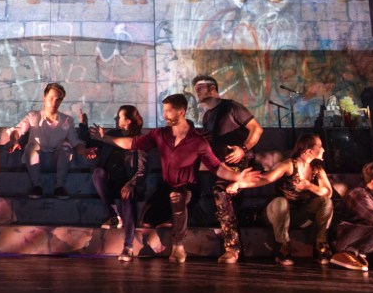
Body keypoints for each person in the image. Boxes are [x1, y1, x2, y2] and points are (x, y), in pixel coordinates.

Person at [91, 94, 256, 263]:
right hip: (166, 187)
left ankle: (178, 246)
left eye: (168, 111)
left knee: (177, 196)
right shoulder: (160, 134)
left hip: (188, 187)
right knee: (147, 221)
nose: (164, 115)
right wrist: (105, 138)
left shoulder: (198, 141)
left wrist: (238, 176)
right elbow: (132, 143)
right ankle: (188, 215)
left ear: (181, 112)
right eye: (163, 111)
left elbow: (216, 167)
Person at [192, 74, 264, 263]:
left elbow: (257, 129)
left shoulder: (232, 106)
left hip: (240, 162)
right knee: (225, 199)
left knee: (222, 192)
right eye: (195, 89)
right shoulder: (207, 116)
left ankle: (232, 248)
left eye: (200, 88)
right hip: (222, 165)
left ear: (212, 88)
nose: (197, 92)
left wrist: (243, 149)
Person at [236, 132, 333, 266]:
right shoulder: (289, 165)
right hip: (277, 215)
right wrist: (239, 184)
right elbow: (266, 179)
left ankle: (321, 245)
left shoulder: (317, 169)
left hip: (299, 216)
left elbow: (328, 193)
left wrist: (309, 186)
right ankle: (283, 247)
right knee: (281, 202)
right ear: (309, 151)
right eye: (320, 146)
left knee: (325, 202)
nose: (323, 149)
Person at [80, 105, 147, 262]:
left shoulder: (139, 140)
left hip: (130, 184)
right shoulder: (112, 134)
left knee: (127, 197)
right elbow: (90, 140)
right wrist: (84, 124)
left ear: (128, 121)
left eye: (119, 116)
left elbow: (143, 169)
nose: (116, 119)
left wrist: (131, 184)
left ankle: (128, 246)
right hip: (112, 182)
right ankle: (113, 215)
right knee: (98, 173)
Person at [7, 82, 91, 200]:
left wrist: (85, 151)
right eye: (51, 98)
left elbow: (75, 142)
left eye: (58, 100)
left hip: (57, 161)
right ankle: (36, 185)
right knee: (31, 146)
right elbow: (18, 130)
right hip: (35, 160)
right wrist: (14, 140)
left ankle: (59, 186)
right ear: (44, 98)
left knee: (66, 146)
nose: (54, 103)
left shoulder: (67, 120)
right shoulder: (33, 116)